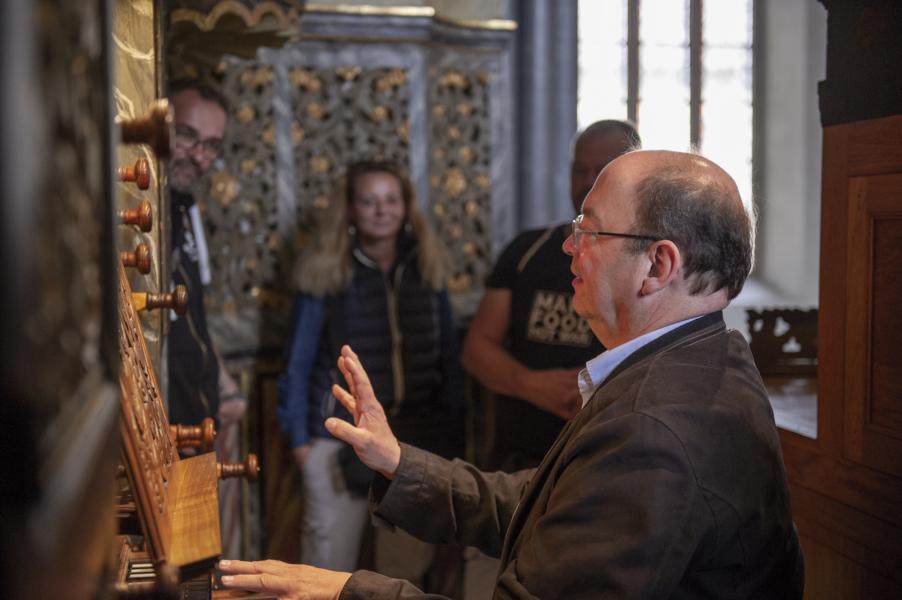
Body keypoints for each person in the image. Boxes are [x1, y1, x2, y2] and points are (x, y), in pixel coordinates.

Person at [220, 149, 804, 599]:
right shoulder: (706, 356)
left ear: (657, 264)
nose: (569, 246)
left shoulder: (655, 427)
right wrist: (400, 462)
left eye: (589, 230)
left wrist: (344, 590)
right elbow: (547, 505)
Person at [276, 160, 464, 583]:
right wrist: (301, 444)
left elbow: (449, 362)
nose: (382, 211)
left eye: (391, 200)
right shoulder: (326, 271)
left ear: (406, 207)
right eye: (369, 201)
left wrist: (452, 434)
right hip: (336, 438)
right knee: (328, 563)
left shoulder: (426, 267)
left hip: (410, 439)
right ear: (350, 209)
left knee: (403, 569)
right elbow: (297, 364)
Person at [463, 119, 640, 473]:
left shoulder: (645, 262)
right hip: (519, 459)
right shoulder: (527, 250)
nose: (587, 182)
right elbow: (476, 350)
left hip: (605, 460)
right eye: (579, 170)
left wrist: (596, 389)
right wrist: (530, 384)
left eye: (601, 171)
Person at [167, 81, 246, 432]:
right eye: (186, 134)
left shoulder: (186, 209)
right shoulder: (134, 209)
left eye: (211, 145)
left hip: (199, 419)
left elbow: (194, 317)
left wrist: (226, 388)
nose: (199, 157)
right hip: (158, 424)